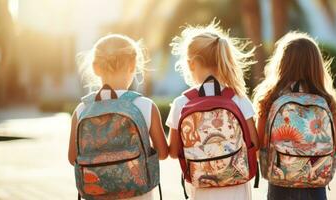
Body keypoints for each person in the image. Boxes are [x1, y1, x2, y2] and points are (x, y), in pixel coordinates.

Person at [68, 34, 168, 200]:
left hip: (97, 193)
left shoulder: (81, 110)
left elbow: (73, 159)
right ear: (133, 65)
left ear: (95, 68)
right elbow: (163, 153)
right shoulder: (144, 106)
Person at [167, 22, 259, 200]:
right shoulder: (239, 98)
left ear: (191, 64)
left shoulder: (181, 103)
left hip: (202, 189)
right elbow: (254, 143)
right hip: (237, 189)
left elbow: (173, 152)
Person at [253, 32, 336, 200]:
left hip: (280, 186)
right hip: (315, 187)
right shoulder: (326, 101)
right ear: (317, 66)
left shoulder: (270, 99)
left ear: (281, 64)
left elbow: (259, 146)